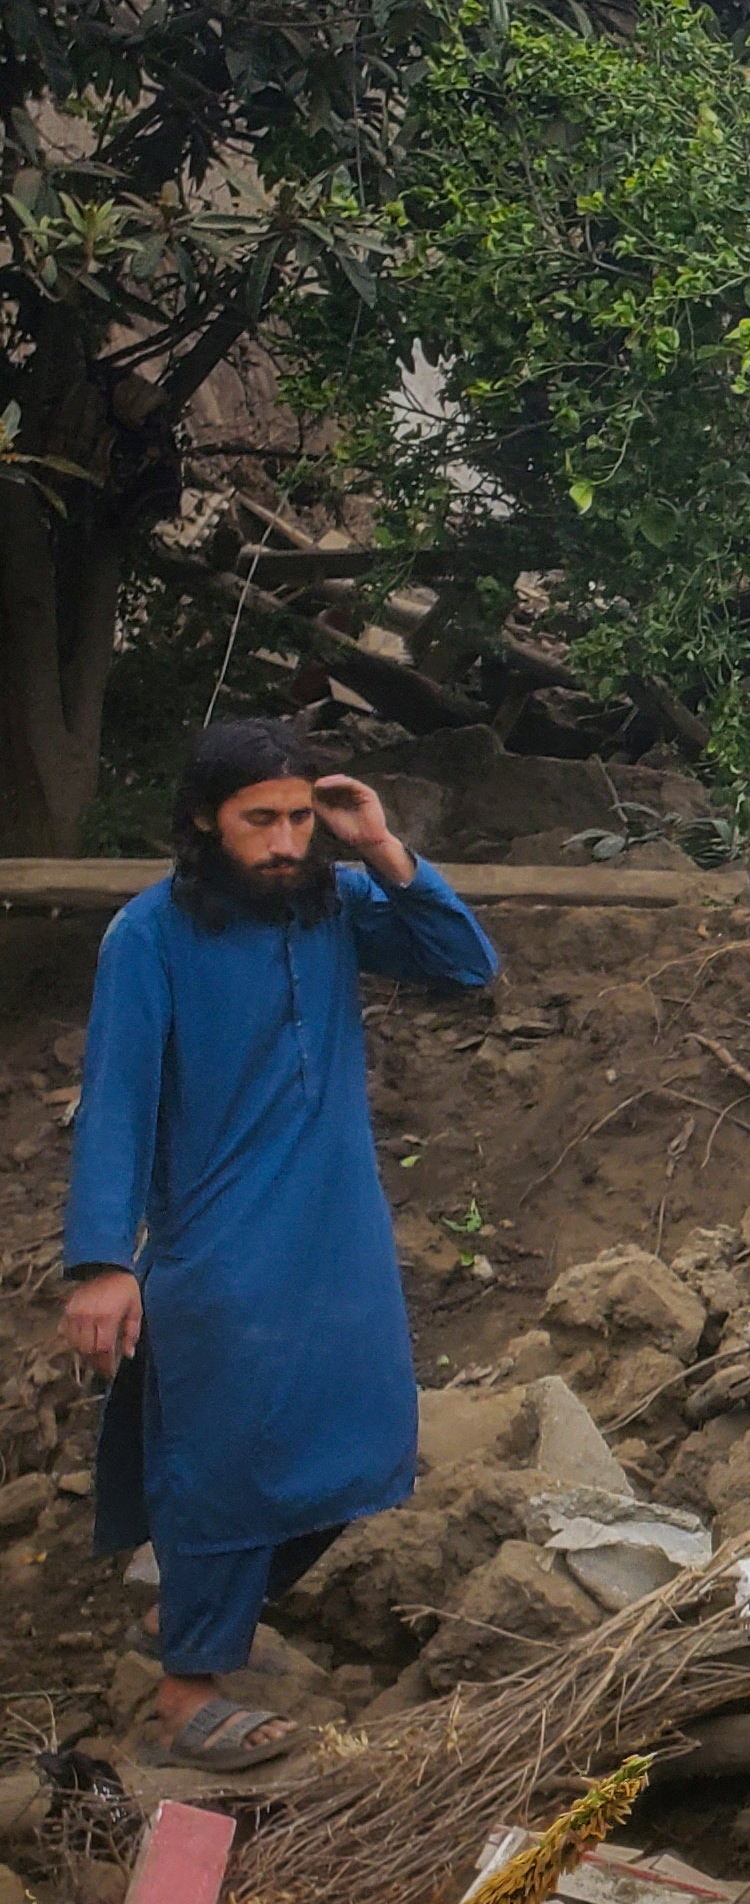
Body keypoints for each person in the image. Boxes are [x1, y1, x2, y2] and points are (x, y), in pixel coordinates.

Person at [59, 720, 500, 1771]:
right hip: (219, 1243)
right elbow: (115, 1103)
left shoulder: (337, 907)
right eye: (263, 820)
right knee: (226, 1457)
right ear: (206, 822)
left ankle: (190, 1618)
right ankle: (186, 1691)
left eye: (302, 818)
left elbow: (466, 966)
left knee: (370, 1438)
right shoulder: (149, 937)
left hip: (335, 1228)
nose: (287, 841)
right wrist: (103, 1263)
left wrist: (381, 846)